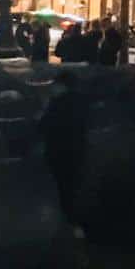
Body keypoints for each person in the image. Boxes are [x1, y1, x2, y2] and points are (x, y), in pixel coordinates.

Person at [39, 71, 89, 220]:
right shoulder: (83, 101)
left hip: (58, 150)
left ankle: (67, 219)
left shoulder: (57, 103)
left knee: (62, 187)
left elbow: (43, 126)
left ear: (62, 86)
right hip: (79, 148)